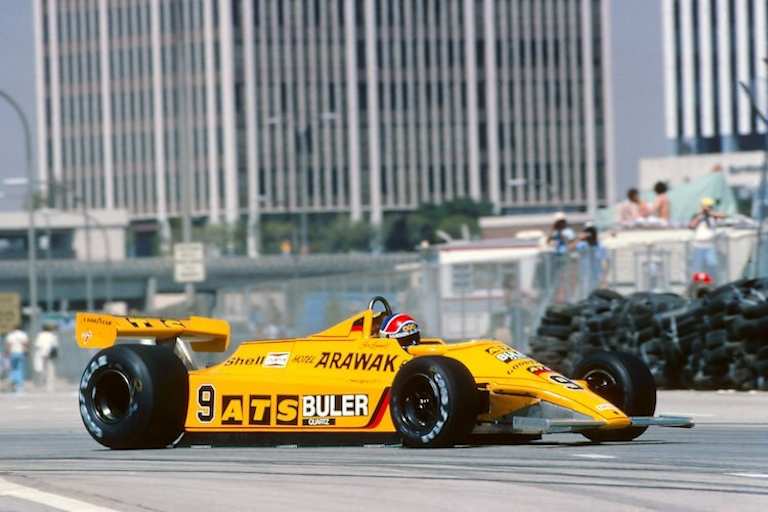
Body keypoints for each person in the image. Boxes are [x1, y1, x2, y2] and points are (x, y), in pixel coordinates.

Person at [689, 197, 725, 279]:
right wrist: (700, 217)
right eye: (707, 206)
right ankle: (695, 284)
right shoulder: (697, 216)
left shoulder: (713, 216)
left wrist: (709, 214)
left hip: (710, 245)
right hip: (698, 245)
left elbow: (724, 216)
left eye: (710, 207)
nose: (709, 208)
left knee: (712, 265)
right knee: (696, 268)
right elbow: (691, 226)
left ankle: (713, 281)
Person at [572, 225, 609, 295]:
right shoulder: (583, 245)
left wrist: (604, 278)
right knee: (585, 295)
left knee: (596, 295)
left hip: (597, 277)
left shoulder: (601, 247)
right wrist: (579, 238)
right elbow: (571, 248)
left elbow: (606, 262)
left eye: (586, 234)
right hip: (584, 277)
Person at [33, 323, 59, 392]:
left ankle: (42, 384)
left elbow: (37, 345)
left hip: (41, 354)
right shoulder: (52, 335)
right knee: (50, 371)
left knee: (42, 370)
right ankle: (50, 387)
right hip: (50, 354)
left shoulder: (40, 335)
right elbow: (55, 346)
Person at [4, 327, 29, 393]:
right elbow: (25, 344)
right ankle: (19, 384)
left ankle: (13, 383)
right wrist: (26, 351)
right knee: (20, 368)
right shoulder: (23, 334)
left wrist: (7, 353)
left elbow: (9, 345)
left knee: (13, 368)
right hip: (21, 353)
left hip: (13, 353)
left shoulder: (11, 335)